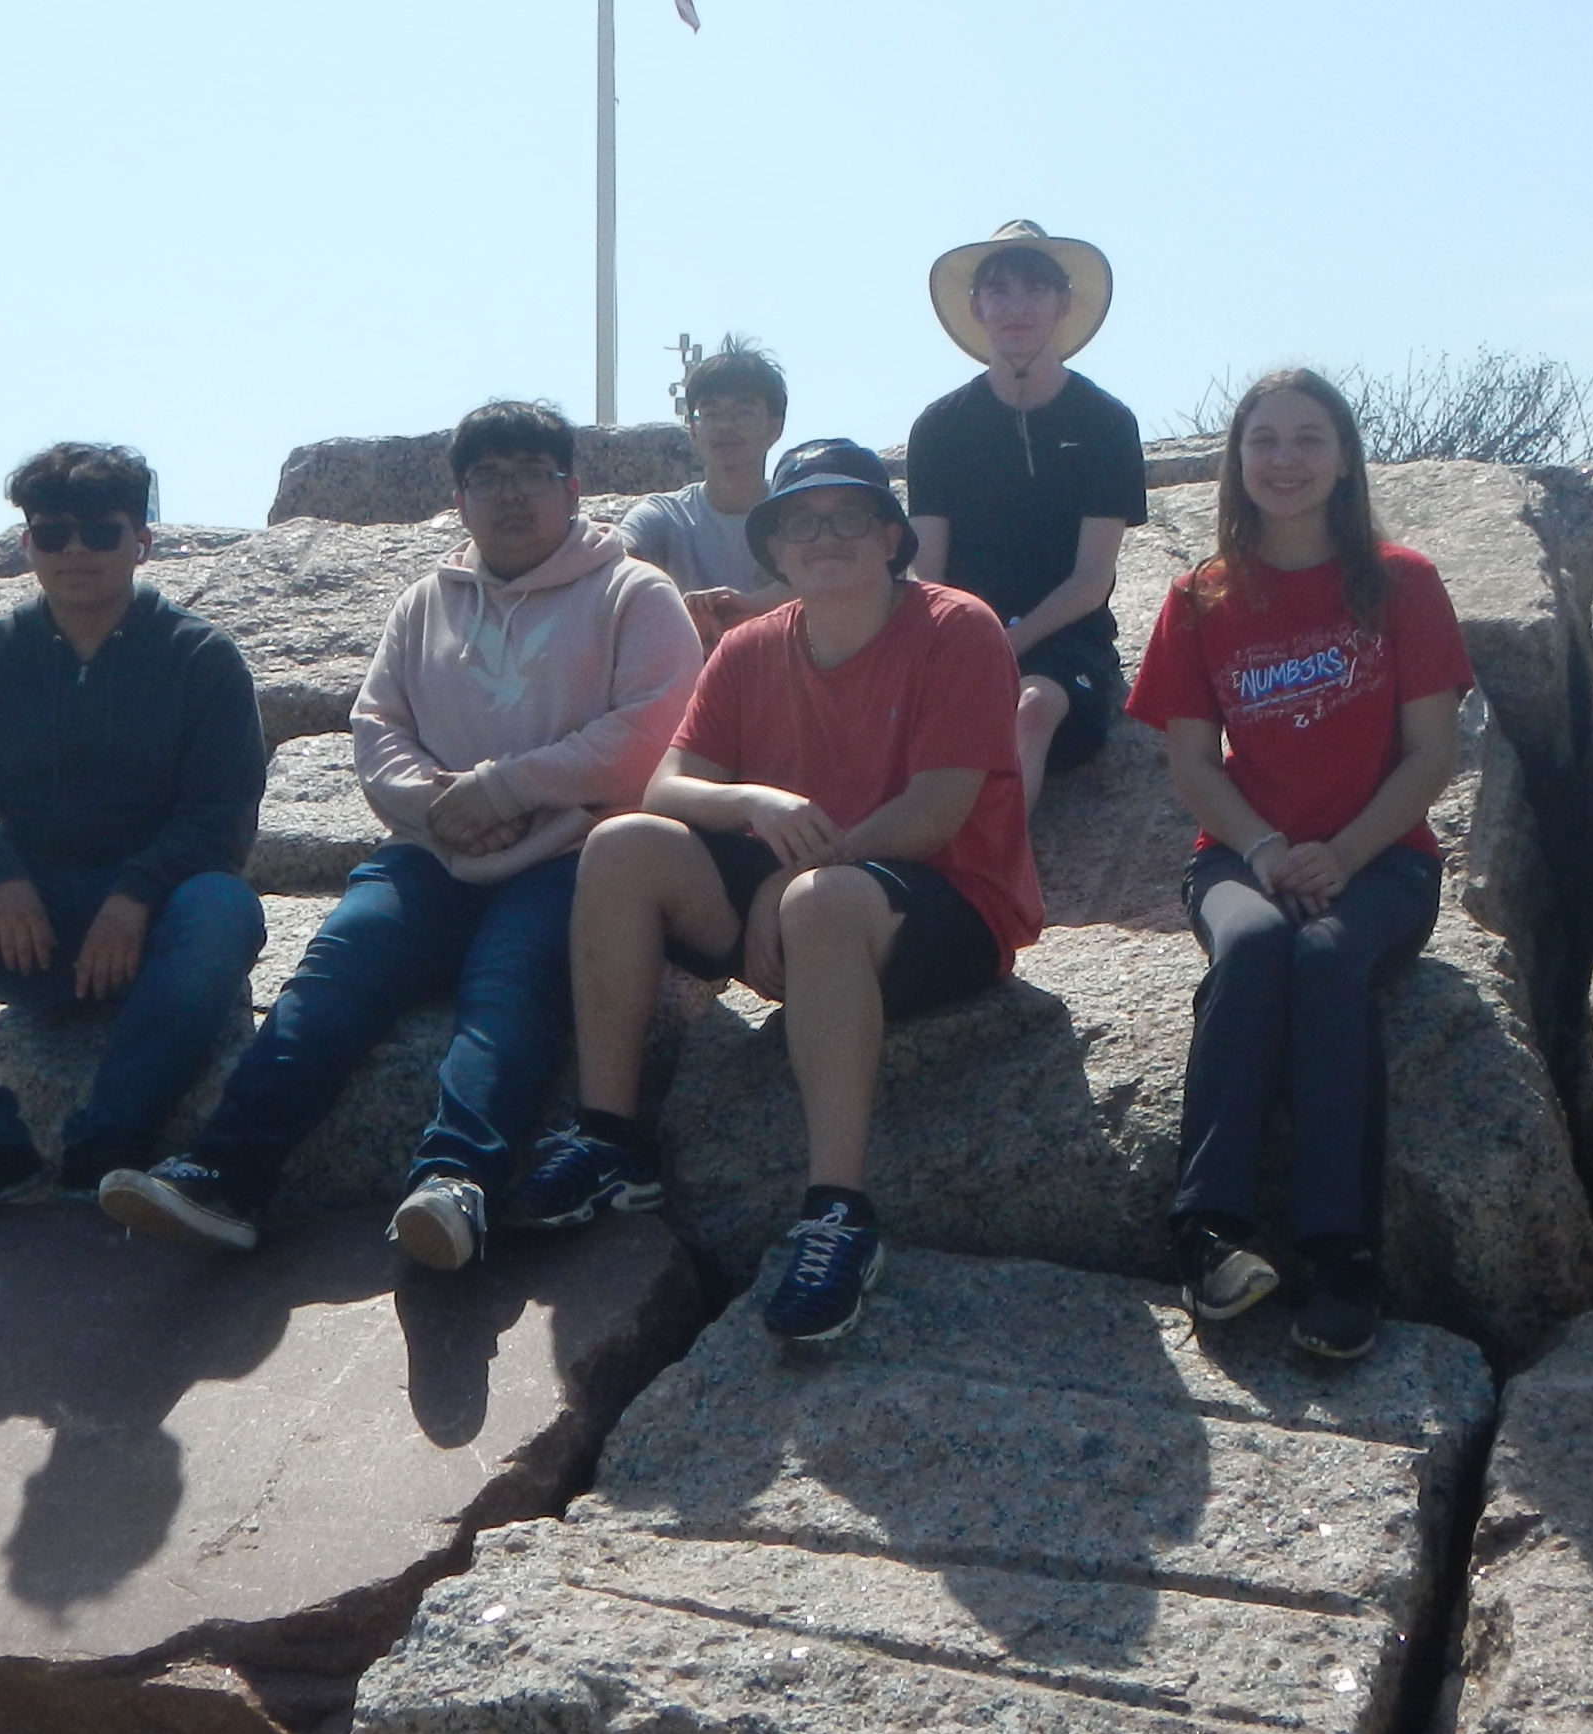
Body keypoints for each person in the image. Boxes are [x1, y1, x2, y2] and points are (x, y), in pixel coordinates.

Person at [114, 402, 703, 1270]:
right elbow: (377, 724)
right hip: (433, 850)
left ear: (572, 488)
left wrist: (507, 785)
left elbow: (654, 727)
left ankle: (455, 1182)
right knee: (337, 967)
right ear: (458, 498)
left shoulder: (634, 593)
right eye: (487, 479)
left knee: (509, 986)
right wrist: (438, 804)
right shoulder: (426, 600)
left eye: (532, 474)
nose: (510, 496)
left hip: (572, 856)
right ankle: (224, 1173)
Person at [508, 436, 1042, 1346]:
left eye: (848, 518)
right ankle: (611, 1139)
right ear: (775, 549)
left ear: (889, 537)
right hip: (804, 889)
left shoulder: (958, 627)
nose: (823, 537)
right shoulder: (753, 647)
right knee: (625, 843)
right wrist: (753, 799)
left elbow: (935, 812)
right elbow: (670, 787)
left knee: (819, 902)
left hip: (942, 903)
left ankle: (838, 1213)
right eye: (800, 522)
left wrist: (787, 881)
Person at [1129, 369, 1469, 1362]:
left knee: (1324, 961)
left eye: (1307, 439)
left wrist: (1343, 853)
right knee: (1252, 946)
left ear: (1344, 457)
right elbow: (1191, 765)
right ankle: (1210, 1235)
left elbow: (1431, 754)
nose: (1284, 460)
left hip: (1383, 865)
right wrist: (1270, 850)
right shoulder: (1200, 598)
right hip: (1241, 857)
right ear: (1236, 460)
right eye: (1263, 440)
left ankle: (1341, 1252)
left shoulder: (1401, 580)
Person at [0, 442, 267, 1253]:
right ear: (26, 544)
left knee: (223, 907)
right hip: (30, 925)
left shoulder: (200, 659)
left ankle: (108, 1140)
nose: (76, 550)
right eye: (53, 532)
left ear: (141, 542)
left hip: (155, 933)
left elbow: (222, 817)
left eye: (101, 532)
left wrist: (136, 895)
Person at [906, 220, 1148, 784]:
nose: (1017, 306)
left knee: (1029, 710)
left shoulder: (1106, 422)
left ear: (1063, 303)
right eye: (999, 289)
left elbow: (1091, 580)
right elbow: (928, 573)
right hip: (959, 641)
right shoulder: (940, 428)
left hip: (1066, 645)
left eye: (1035, 288)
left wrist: (1009, 644)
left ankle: (997, 872)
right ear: (976, 305)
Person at [619, 338, 794, 642]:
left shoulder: (800, 516)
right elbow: (617, 554)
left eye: (743, 411)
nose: (726, 425)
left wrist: (754, 605)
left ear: (775, 427)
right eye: (711, 413)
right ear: (693, 431)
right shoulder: (666, 515)